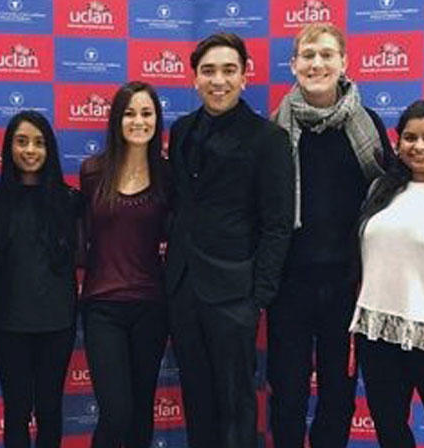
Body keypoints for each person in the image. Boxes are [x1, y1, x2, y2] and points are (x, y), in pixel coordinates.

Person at [165, 33, 295, 448]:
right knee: (197, 399)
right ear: (194, 79)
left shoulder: (268, 138)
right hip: (184, 286)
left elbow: (278, 223)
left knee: (236, 404)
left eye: (228, 70)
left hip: (235, 292)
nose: (217, 80)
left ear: (244, 77)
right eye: (208, 71)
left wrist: (258, 295)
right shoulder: (183, 130)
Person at [267, 23, 393, 448]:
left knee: (338, 396)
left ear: (344, 63)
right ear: (293, 65)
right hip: (290, 286)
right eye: (307, 55)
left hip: (348, 287)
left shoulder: (367, 125)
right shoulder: (275, 131)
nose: (316, 63)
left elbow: (388, 197)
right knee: (286, 394)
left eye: (325, 54)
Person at [0, 111, 82, 448]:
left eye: (38, 143)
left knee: (50, 408)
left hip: (57, 322)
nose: (30, 150)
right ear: (9, 147)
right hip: (8, 323)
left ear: (50, 149)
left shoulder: (69, 200)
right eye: (21, 141)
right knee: (17, 409)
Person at [350, 100, 424, 448]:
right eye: (410, 137)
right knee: (390, 433)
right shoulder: (380, 190)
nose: (419, 146)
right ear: (398, 142)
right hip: (377, 332)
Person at [78, 81, 172, 448]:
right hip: (103, 306)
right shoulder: (92, 171)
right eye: (130, 113)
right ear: (117, 120)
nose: (138, 121)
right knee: (115, 412)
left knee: (140, 412)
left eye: (146, 113)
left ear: (156, 120)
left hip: (151, 304)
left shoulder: (168, 174)